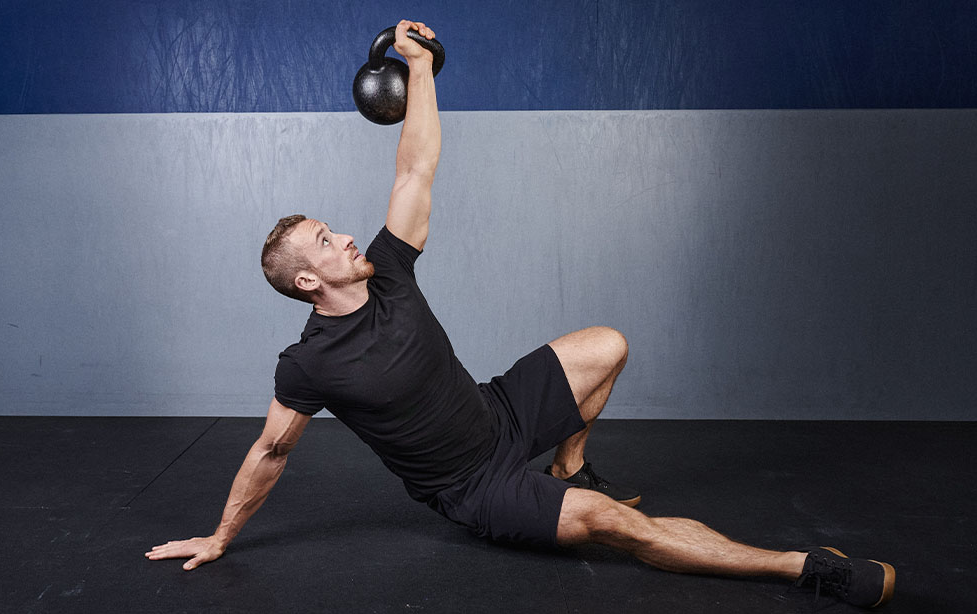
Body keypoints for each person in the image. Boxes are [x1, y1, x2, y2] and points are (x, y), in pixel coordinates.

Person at [146, 19, 895, 609]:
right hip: (475, 489)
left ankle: (573, 465)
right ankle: (807, 568)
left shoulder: (389, 270)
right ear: (309, 280)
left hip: (496, 413)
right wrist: (219, 536)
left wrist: (420, 69)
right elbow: (270, 454)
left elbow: (416, 166)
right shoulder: (307, 363)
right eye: (325, 240)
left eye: (334, 227)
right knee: (613, 529)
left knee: (606, 344)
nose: (344, 235)